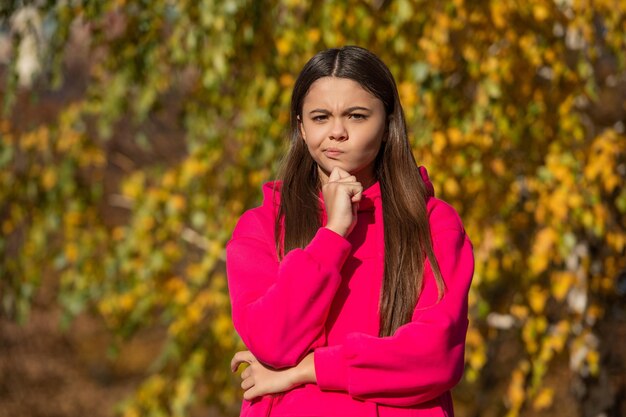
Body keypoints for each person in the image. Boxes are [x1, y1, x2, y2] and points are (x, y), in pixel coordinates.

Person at [226, 45, 474, 417]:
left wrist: (308, 370)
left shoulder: (433, 224)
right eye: (320, 117)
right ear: (301, 126)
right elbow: (271, 342)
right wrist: (332, 235)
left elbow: (435, 356)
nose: (337, 132)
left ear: (388, 122)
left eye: (356, 116)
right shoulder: (262, 226)